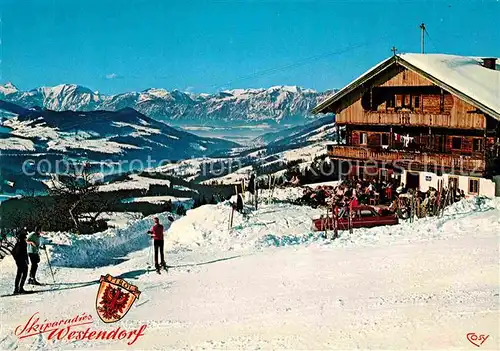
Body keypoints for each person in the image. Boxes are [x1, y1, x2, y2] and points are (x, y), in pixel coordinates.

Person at [12, 229, 30, 294]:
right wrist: (25, 260)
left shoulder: (18, 243)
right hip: (21, 261)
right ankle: (20, 288)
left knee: (19, 274)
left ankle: (17, 289)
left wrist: (16, 259)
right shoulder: (23, 244)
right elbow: (24, 253)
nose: (26, 238)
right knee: (24, 273)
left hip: (19, 261)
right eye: (25, 237)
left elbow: (13, 252)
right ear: (23, 238)